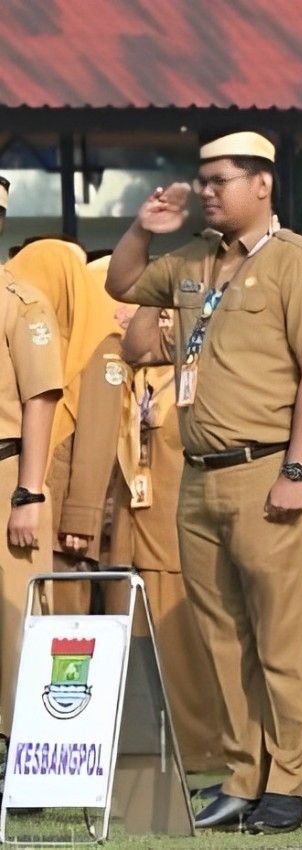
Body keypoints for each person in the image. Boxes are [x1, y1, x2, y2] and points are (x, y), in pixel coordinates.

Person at [103, 129, 302, 834]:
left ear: (262, 183)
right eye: (202, 178)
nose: (207, 190)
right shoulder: (193, 262)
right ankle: (244, 774)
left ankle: (288, 782)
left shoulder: (301, 264)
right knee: (223, 635)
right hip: (202, 475)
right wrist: (141, 229)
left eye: (221, 179)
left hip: (271, 465)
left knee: (282, 636)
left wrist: (300, 469)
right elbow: (120, 283)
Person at [109, 305, 226, 773]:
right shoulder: (136, 374)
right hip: (136, 526)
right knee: (137, 643)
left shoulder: (204, 370)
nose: (158, 323)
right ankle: (143, 748)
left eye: (167, 313)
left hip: (180, 528)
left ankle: (201, 751)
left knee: (185, 648)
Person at [6, 239, 121, 614]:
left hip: (65, 525)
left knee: (61, 627)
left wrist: (81, 517)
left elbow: (97, 438)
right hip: (39, 506)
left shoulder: (98, 344)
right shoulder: (48, 342)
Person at [0, 264, 62, 736]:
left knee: (18, 617)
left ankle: (23, 743)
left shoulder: (21, 301)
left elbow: (40, 397)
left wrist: (29, 492)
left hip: (7, 469)